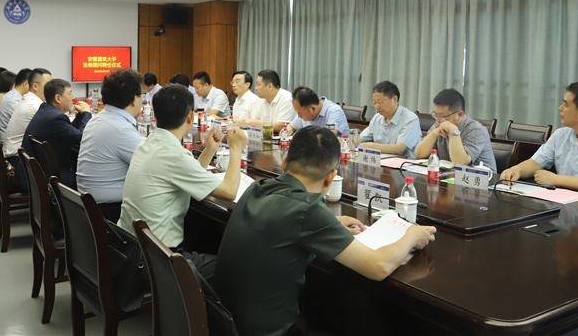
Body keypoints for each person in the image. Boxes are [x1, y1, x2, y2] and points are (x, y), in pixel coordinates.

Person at [215, 126, 436, 336]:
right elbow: (379, 267)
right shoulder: (308, 210)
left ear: (285, 162)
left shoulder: (258, 187)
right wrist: (411, 235)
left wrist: (330, 222)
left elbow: (280, 221)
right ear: (331, 177)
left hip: (225, 320)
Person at [118, 83, 247, 280]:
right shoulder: (174, 155)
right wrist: (236, 149)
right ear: (190, 117)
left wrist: (209, 150)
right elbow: (229, 192)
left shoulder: (147, 143)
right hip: (160, 259)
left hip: (133, 249)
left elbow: (185, 174)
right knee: (238, 266)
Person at [501, 81, 578, 193]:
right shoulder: (560, 135)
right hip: (563, 201)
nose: (560, 108)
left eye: (566, 104)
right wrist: (516, 170)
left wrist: (556, 179)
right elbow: (535, 163)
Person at [77, 69, 144, 223]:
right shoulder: (121, 129)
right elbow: (154, 167)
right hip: (109, 212)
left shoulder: (97, 119)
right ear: (134, 99)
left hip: (88, 206)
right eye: (142, 94)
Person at [20, 78, 91, 190]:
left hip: (37, 171)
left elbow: (69, 130)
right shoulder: (55, 118)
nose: (72, 98)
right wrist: (87, 113)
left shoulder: (46, 110)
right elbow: (80, 138)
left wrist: (81, 115)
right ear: (58, 98)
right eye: (70, 93)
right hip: (48, 177)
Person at [414, 88, 497, 171]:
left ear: (460, 115)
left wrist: (454, 131)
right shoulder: (438, 124)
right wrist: (434, 133)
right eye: (435, 115)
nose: (438, 120)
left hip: (482, 177)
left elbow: (460, 163)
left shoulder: (476, 130)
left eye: (442, 116)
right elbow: (419, 154)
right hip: (449, 175)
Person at [359, 81, 422, 159]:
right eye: (374, 102)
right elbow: (361, 140)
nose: (376, 106)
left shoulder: (410, 119)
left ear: (394, 99)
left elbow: (399, 149)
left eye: (380, 102)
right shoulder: (377, 118)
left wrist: (371, 146)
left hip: (404, 165)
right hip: (381, 162)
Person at [3, 68, 52, 164]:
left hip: (16, 153)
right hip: (17, 158)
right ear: (35, 86)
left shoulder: (29, 99)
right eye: (48, 85)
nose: (52, 89)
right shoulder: (34, 105)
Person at [0, 68, 31, 144]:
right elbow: (26, 125)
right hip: (9, 143)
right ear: (25, 84)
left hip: (9, 139)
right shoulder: (13, 100)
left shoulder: (11, 95)